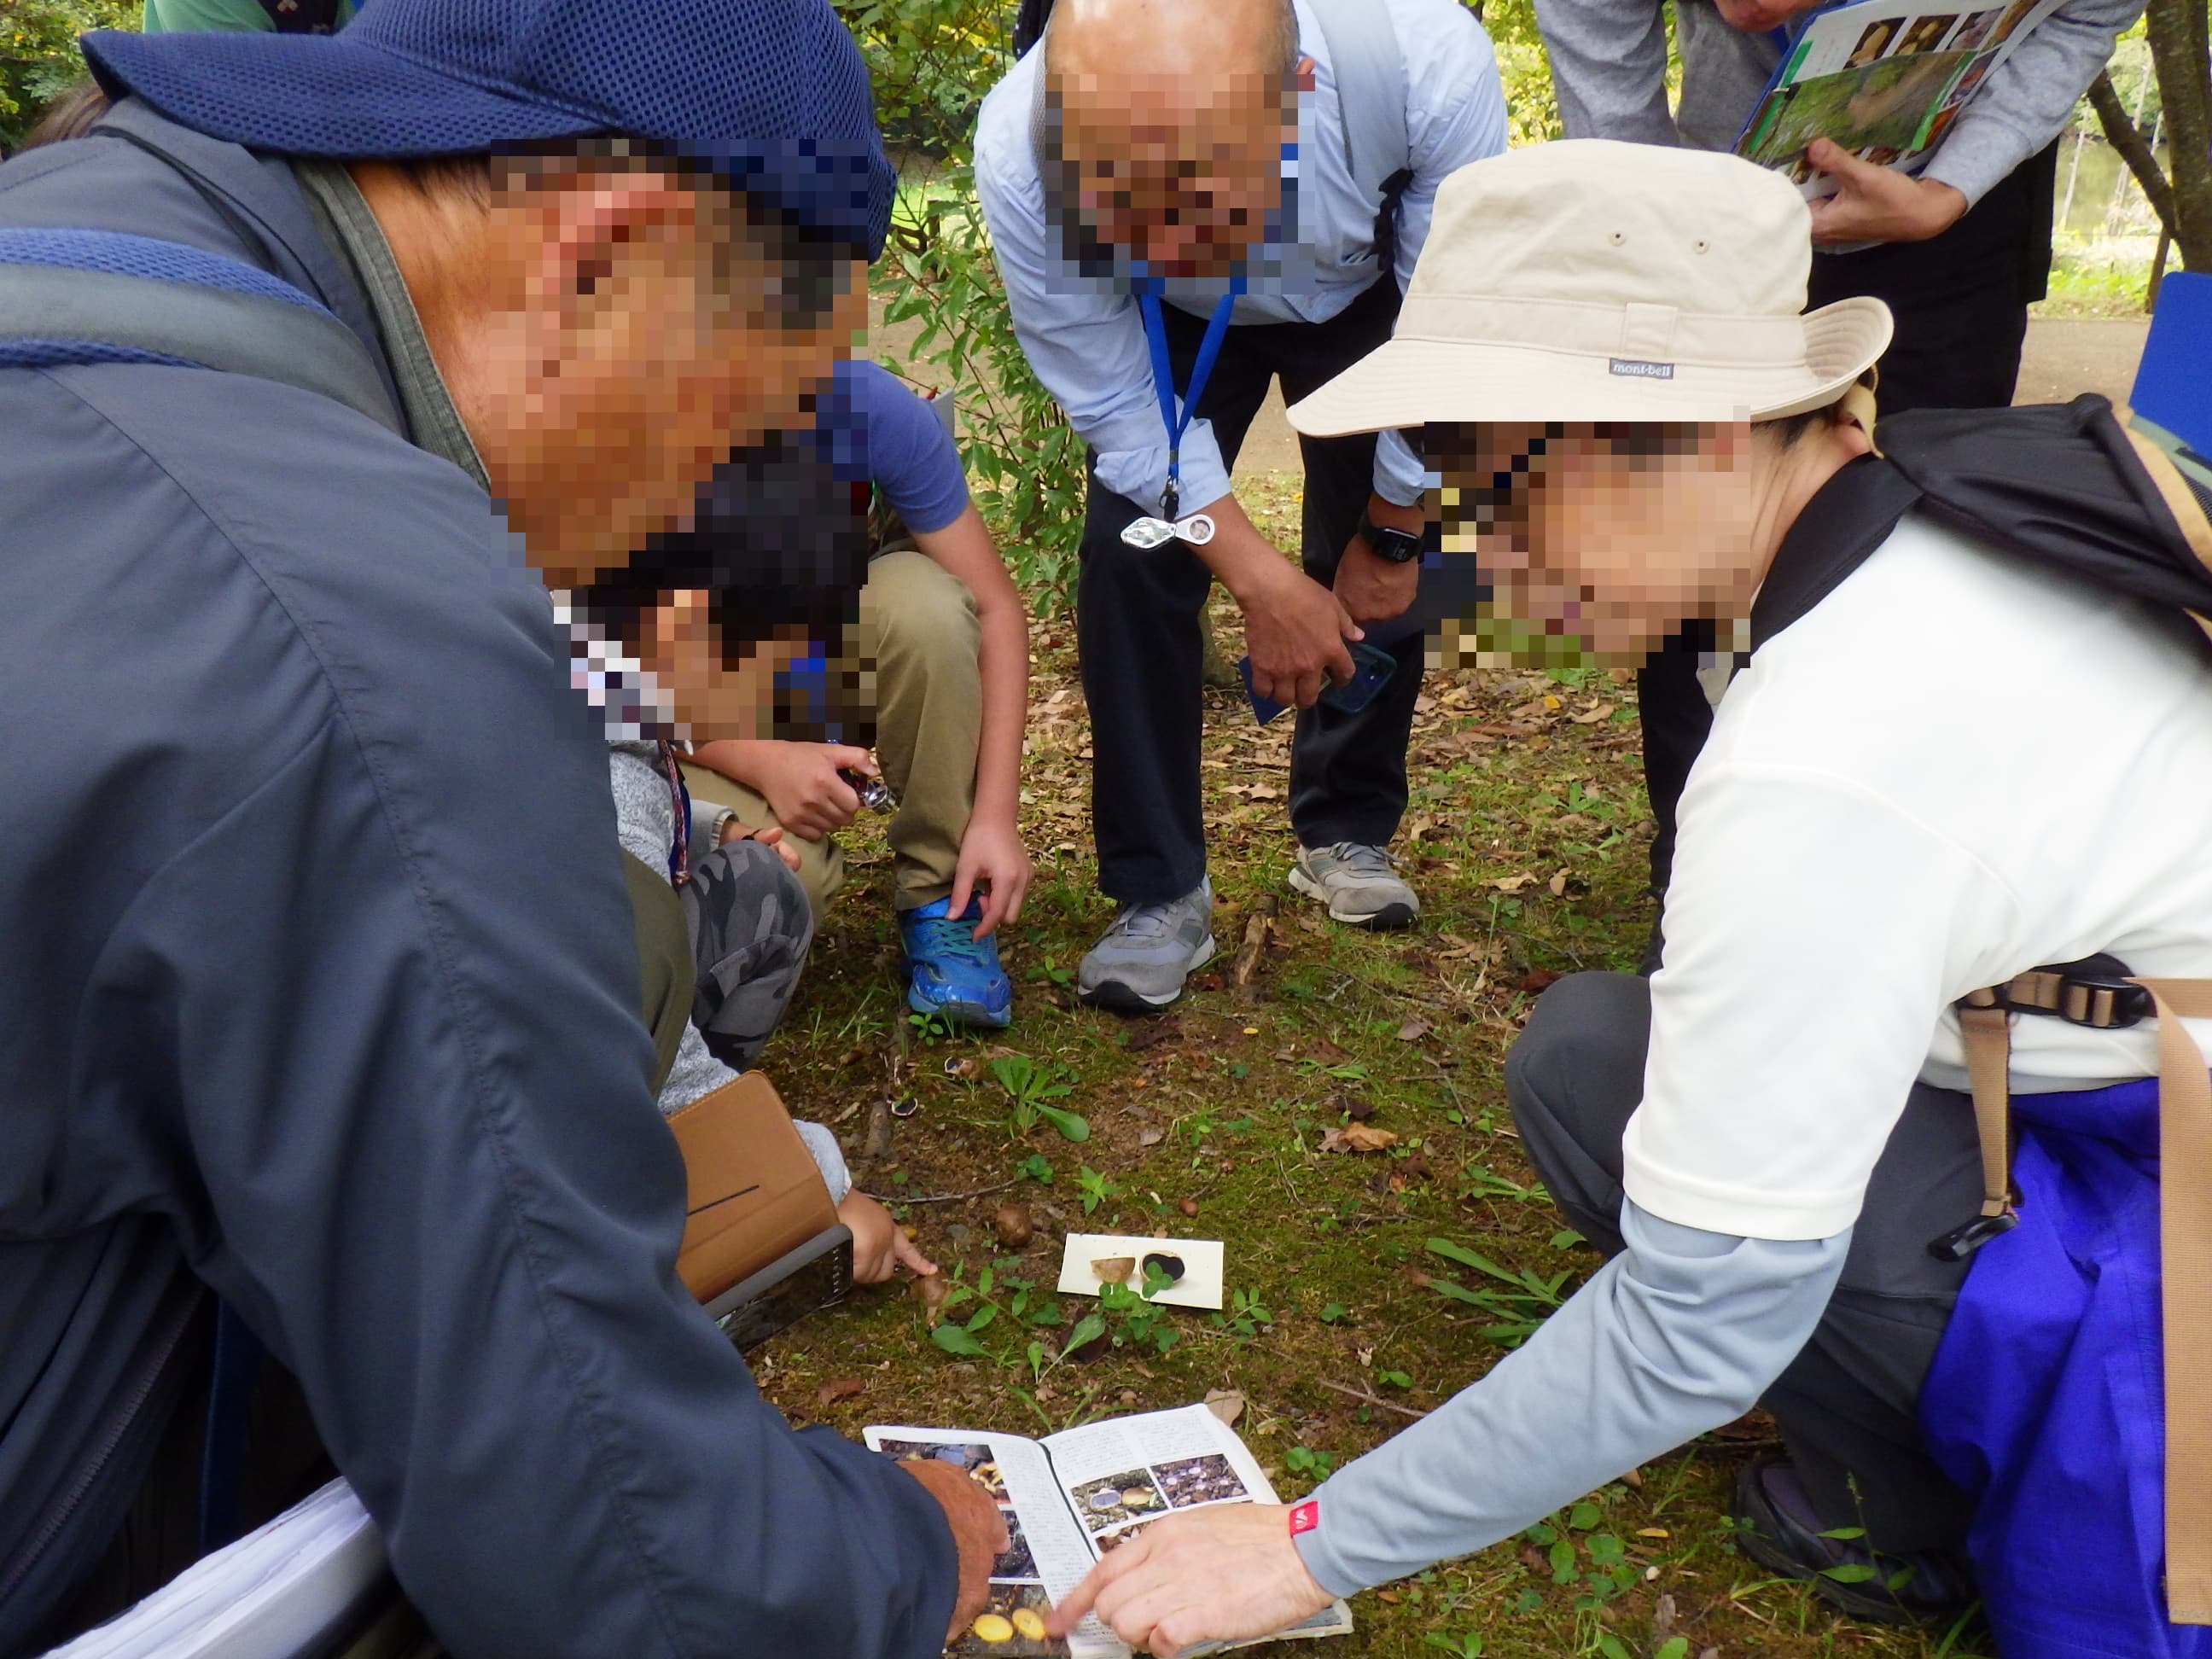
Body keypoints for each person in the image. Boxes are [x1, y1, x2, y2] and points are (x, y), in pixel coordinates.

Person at [1045, 142, 2212, 1656]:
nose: (1495, 558)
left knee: (1691, 1182)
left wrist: (1302, 1548)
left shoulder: (1824, 756)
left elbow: (1694, 1318)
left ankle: (1909, 1519)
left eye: (1501, 486)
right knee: (1600, 1049)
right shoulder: (1939, 487)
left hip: (2162, 1206)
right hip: (2113, 1067)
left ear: (1701, 431)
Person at [0, 1, 1008, 1653]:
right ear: (603, 257)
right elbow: (614, 1554)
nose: (703, 505)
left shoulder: (85, 241)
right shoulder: (367, 638)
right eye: (743, 422)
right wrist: (893, 1553)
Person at [1531, 0, 2143, 926]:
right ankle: (1703, 877)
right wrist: (1670, 224)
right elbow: (1612, 97)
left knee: (1927, 547)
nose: (1739, 14)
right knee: (1701, 554)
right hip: (1717, 211)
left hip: (1950, 211)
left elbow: (2084, 17)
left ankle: (1896, 872)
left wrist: (1956, 186)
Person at [973, 0, 1510, 1010]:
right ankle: (1158, 888)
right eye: (1121, 196)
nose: (1166, 236)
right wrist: (1260, 579)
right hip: (1166, 330)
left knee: (1392, 543)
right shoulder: (1017, 147)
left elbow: (1452, 327)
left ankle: (1345, 825)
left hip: (1371, 294)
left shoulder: (1423, 61)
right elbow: (1119, 408)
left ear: (1293, 95)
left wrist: (1390, 529)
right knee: (1133, 552)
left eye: (1193, 191)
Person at [682, 358, 1034, 1029]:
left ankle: (943, 893)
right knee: (784, 885)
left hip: (803, 662)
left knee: (922, 601)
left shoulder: (866, 404)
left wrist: (994, 816)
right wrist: (760, 759)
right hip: (680, 708)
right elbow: (587, 659)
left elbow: (997, 611)